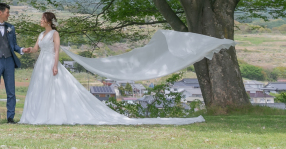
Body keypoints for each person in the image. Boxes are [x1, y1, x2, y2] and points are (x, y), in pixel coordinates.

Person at [19, 12, 204, 125]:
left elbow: (57, 50)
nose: (40, 21)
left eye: (43, 18)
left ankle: (51, 115)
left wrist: (54, 66)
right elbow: (36, 49)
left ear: (49, 21)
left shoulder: (54, 33)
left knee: (54, 89)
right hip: (40, 64)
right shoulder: (40, 34)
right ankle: (37, 115)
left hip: (50, 62)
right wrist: (28, 50)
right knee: (40, 89)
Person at [0, 2, 31, 124]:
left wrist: (22, 50)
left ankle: (10, 117)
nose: (9, 15)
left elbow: (13, 45)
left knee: (11, 91)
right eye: (7, 12)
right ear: (0, 12)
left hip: (9, 61)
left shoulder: (11, 28)